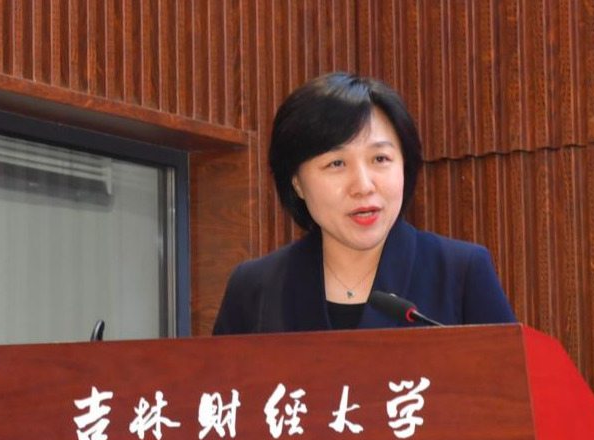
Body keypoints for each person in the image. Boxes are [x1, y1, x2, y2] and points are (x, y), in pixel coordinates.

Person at [212, 72, 515, 335]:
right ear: (297, 183)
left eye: (380, 159)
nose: (363, 186)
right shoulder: (254, 287)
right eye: (336, 163)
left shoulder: (462, 272)